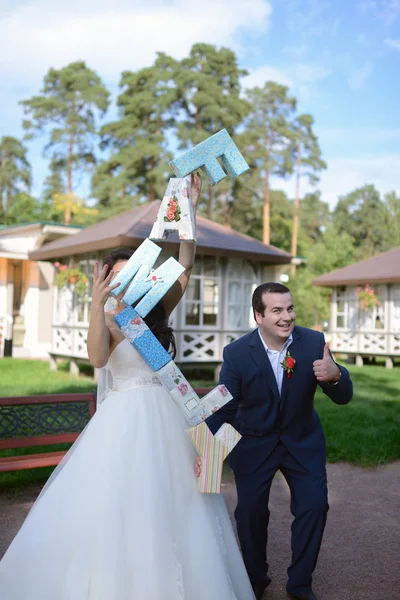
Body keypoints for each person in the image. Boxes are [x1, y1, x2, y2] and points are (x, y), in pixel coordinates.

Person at [0, 173, 255, 600]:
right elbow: (97, 359)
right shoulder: (108, 320)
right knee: (119, 504)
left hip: (168, 418)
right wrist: (98, 306)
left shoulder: (154, 311)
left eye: (129, 274)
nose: (122, 282)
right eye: (115, 275)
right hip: (123, 423)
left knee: (182, 502)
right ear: (105, 279)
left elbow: (186, 264)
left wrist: (188, 214)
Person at [206, 282, 353, 600]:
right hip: (254, 442)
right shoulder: (236, 354)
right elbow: (224, 407)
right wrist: (209, 450)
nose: (287, 317)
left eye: (290, 308)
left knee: (315, 506)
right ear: (258, 315)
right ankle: (255, 580)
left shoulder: (314, 343)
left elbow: (343, 397)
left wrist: (336, 374)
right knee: (250, 512)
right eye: (277, 310)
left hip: (302, 440)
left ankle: (300, 584)